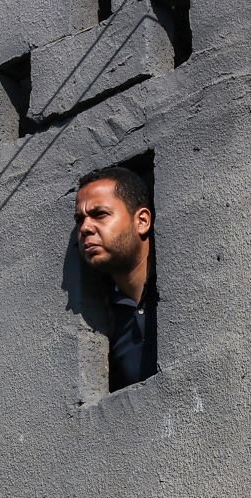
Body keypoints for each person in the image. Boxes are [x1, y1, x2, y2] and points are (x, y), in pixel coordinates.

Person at [76, 165, 157, 389]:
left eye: (99, 214)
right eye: (79, 219)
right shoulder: (105, 322)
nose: (85, 228)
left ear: (142, 221)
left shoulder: (176, 288)